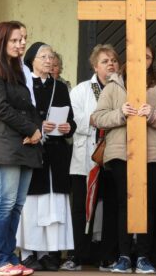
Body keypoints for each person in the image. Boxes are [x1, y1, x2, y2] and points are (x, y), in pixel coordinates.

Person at [91, 44, 156, 274]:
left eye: (148, 57)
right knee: (124, 204)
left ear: (153, 60)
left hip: (153, 155)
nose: (143, 60)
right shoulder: (114, 85)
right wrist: (121, 113)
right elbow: (97, 118)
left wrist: (154, 114)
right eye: (137, 56)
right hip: (122, 153)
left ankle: (143, 256)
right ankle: (123, 256)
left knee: (147, 204)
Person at [0, 21, 43, 276]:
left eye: (23, 39)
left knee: (16, 205)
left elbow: (29, 106)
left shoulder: (18, 70)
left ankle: (8, 258)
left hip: (25, 146)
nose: (21, 44)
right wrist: (30, 130)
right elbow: (0, 108)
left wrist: (37, 131)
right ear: (2, 42)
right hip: (5, 145)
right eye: (16, 40)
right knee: (4, 204)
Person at [17, 43, 76, 271]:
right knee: (32, 204)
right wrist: (38, 125)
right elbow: (19, 116)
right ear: (32, 60)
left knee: (53, 204)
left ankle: (48, 252)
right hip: (33, 150)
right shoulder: (23, 85)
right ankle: (28, 252)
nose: (49, 60)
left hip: (57, 152)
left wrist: (67, 127)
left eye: (51, 56)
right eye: (44, 56)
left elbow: (72, 119)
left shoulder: (59, 87)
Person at [66, 44, 121, 271]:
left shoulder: (123, 88)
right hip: (86, 156)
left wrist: (104, 118)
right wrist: (102, 119)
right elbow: (74, 119)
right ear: (95, 66)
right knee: (80, 208)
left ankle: (107, 255)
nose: (110, 64)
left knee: (111, 207)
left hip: (113, 154)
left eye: (114, 60)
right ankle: (78, 255)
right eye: (105, 61)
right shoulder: (81, 90)